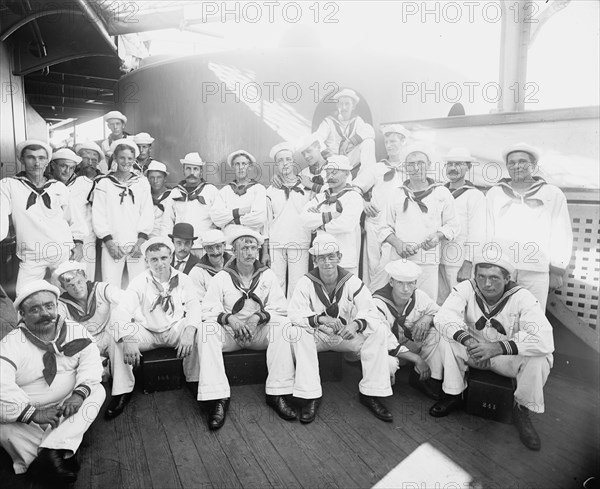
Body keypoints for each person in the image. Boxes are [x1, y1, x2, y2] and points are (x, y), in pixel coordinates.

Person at [430, 249, 554, 451]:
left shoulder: (523, 296)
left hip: (505, 358)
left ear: (507, 278)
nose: (487, 284)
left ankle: (521, 409)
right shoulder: (466, 288)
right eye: (482, 277)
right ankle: (454, 394)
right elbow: (443, 317)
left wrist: (496, 348)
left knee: (540, 357)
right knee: (445, 336)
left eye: (494, 278)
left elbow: (544, 337)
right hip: (474, 352)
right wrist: (469, 341)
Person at [197, 226, 312, 429]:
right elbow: (207, 309)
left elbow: (280, 308)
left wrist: (256, 318)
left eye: (253, 248)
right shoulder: (222, 277)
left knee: (282, 325)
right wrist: (230, 319)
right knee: (206, 331)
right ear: (234, 252)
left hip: (257, 333)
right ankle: (217, 398)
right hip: (232, 335)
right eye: (244, 248)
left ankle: (278, 392)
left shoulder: (267, 275)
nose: (250, 253)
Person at [0, 280, 104, 482]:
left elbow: (91, 362)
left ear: (56, 306)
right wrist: (33, 413)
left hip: (68, 400)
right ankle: (59, 451)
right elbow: (1, 385)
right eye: (35, 310)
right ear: (22, 314)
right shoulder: (11, 343)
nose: (45, 313)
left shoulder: (74, 329)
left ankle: (51, 454)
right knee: (4, 426)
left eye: (49, 306)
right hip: (29, 405)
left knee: (96, 390)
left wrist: (77, 395)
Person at [288, 233, 394, 422]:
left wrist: (356, 324)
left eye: (331, 256)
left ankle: (371, 393)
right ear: (315, 260)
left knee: (378, 330)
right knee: (297, 331)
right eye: (321, 257)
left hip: (345, 337)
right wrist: (320, 320)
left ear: (339, 257)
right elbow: (295, 314)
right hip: (318, 337)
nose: (327, 262)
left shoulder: (352, 281)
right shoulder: (305, 281)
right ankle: (310, 394)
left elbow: (370, 310)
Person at [108, 237, 202, 418]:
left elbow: (194, 307)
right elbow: (121, 311)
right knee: (117, 336)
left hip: (174, 330)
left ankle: (194, 379)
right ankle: (122, 390)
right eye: (154, 259)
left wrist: (189, 331)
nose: (160, 263)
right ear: (146, 261)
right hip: (148, 333)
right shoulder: (139, 281)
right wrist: (128, 337)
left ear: (171, 257)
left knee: (199, 330)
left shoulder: (183, 279)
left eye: (164, 258)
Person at [485, 143, 573, 311]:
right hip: (501, 269)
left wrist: (557, 270)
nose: (517, 166)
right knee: (500, 316)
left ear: (533, 166)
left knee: (533, 317)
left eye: (522, 161)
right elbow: (487, 230)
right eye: (512, 162)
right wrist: (489, 265)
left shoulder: (552, 194)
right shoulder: (495, 194)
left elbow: (561, 233)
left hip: (536, 270)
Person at [0, 140, 85, 294]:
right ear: (21, 160)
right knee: (25, 296)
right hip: (31, 255)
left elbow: (74, 219)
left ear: (47, 161)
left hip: (62, 250)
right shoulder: (8, 185)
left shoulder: (58, 187)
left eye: (41, 158)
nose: (36, 162)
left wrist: (78, 243)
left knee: (68, 294)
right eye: (31, 157)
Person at [377, 145, 460, 302]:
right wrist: (397, 243)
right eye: (411, 164)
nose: (416, 168)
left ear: (428, 164)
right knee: (399, 305)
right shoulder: (396, 193)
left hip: (428, 262)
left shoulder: (441, 192)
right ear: (405, 167)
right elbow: (382, 227)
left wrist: (438, 235)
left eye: (420, 163)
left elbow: (454, 225)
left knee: (426, 305)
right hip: (400, 261)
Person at [53, 261, 126, 412]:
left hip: (107, 334)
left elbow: (123, 299)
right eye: (70, 285)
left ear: (85, 277)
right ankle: (105, 368)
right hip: (85, 344)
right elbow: (58, 327)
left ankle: (123, 390)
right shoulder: (62, 303)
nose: (77, 287)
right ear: (64, 288)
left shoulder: (101, 288)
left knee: (118, 332)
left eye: (79, 281)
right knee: (88, 371)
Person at [372, 260, 442, 400]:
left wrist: (427, 318)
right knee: (389, 366)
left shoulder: (419, 296)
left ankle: (420, 377)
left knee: (437, 333)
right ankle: (376, 389)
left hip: (407, 346)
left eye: (410, 283)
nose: (406, 289)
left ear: (415, 283)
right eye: (400, 283)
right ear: (391, 282)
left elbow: (441, 313)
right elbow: (384, 340)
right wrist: (417, 358)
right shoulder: (377, 302)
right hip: (384, 350)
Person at [353, 124, 410, 289]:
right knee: (373, 266)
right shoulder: (378, 168)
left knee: (392, 266)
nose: (389, 145)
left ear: (403, 142)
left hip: (398, 226)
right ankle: (372, 303)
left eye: (393, 141)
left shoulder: (410, 169)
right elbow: (355, 188)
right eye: (386, 142)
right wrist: (364, 202)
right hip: (375, 223)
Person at [91, 139, 154, 287]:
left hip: (136, 244)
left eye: (130, 158)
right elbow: (98, 215)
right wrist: (109, 242)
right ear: (115, 158)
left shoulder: (142, 183)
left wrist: (141, 241)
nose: (126, 162)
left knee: (139, 286)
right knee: (110, 286)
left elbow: (147, 212)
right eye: (122, 158)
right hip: (112, 244)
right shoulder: (104, 184)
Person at [300, 155, 363, 275]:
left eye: (334, 173)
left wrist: (318, 223)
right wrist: (331, 216)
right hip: (321, 257)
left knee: (346, 292)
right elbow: (304, 219)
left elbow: (345, 225)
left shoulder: (353, 197)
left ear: (346, 174)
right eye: (328, 173)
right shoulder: (320, 197)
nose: (330, 177)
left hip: (345, 260)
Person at [438, 147, 486, 304]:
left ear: (468, 167)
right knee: (438, 304)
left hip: (458, 262)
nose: (453, 168)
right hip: (435, 260)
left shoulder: (475, 195)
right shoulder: (438, 193)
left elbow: (478, 232)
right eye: (450, 164)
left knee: (459, 304)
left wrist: (468, 263)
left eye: (458, 164)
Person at [265, 142, 312, 298]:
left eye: (288, 159)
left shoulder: (307, 187)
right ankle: (277, 316)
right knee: (276, 284)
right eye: (280, 160)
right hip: (276, 242)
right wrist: (265, 249)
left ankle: (295, 318)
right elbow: (266, 222)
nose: (285, 163)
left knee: (297, 284)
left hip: (299, 241)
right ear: (276, 164)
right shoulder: (271, 190)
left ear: (293, 161)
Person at [315, 88, 376, 179]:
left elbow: (369, 131)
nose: (343, 107)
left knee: (369, 142)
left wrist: (350, 141)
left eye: (347, 104)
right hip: (333, 161)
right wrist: (327, 153)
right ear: (337, 106)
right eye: (340, 104)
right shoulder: (328, 121)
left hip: (349, 158)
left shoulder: (357, 120)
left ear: (353, 106)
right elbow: (317, 138)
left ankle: (364, 179)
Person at [166, 152, 219, 255]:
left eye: (195, 169)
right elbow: (167, 221)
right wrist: (168, 245)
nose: (192, 173)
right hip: (180, 248)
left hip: (204, 247)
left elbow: (219, 220)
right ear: (183, 171)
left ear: (201, 172)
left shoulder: (211, 191)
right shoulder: (175, 192)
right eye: (188, 169)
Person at [210, 150, 268, 239]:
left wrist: (234, 220)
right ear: (233, 167)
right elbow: (216, 217)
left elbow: (259, 218)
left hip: (250, 242)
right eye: (237, 164)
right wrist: (240, 211)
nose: (241, 167)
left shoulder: (258, 189)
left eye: (244, 164)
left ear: (250, 167)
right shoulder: (225, 190)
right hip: (228, 242)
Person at [191, 229, 232, 302]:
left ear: (224, 245)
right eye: (210, 248)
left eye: (218, 247)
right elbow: (198, 302)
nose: (215, 252)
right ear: (204, 249)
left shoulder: (236, 265)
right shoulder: (197, 272)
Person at [146, 161, 173, 238]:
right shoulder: (145, 197)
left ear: (165, 179)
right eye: (152, 177)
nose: (155, 181)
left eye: (159, 177)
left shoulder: (172, 196)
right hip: (147, 241)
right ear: (148, 179)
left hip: (167, 239)